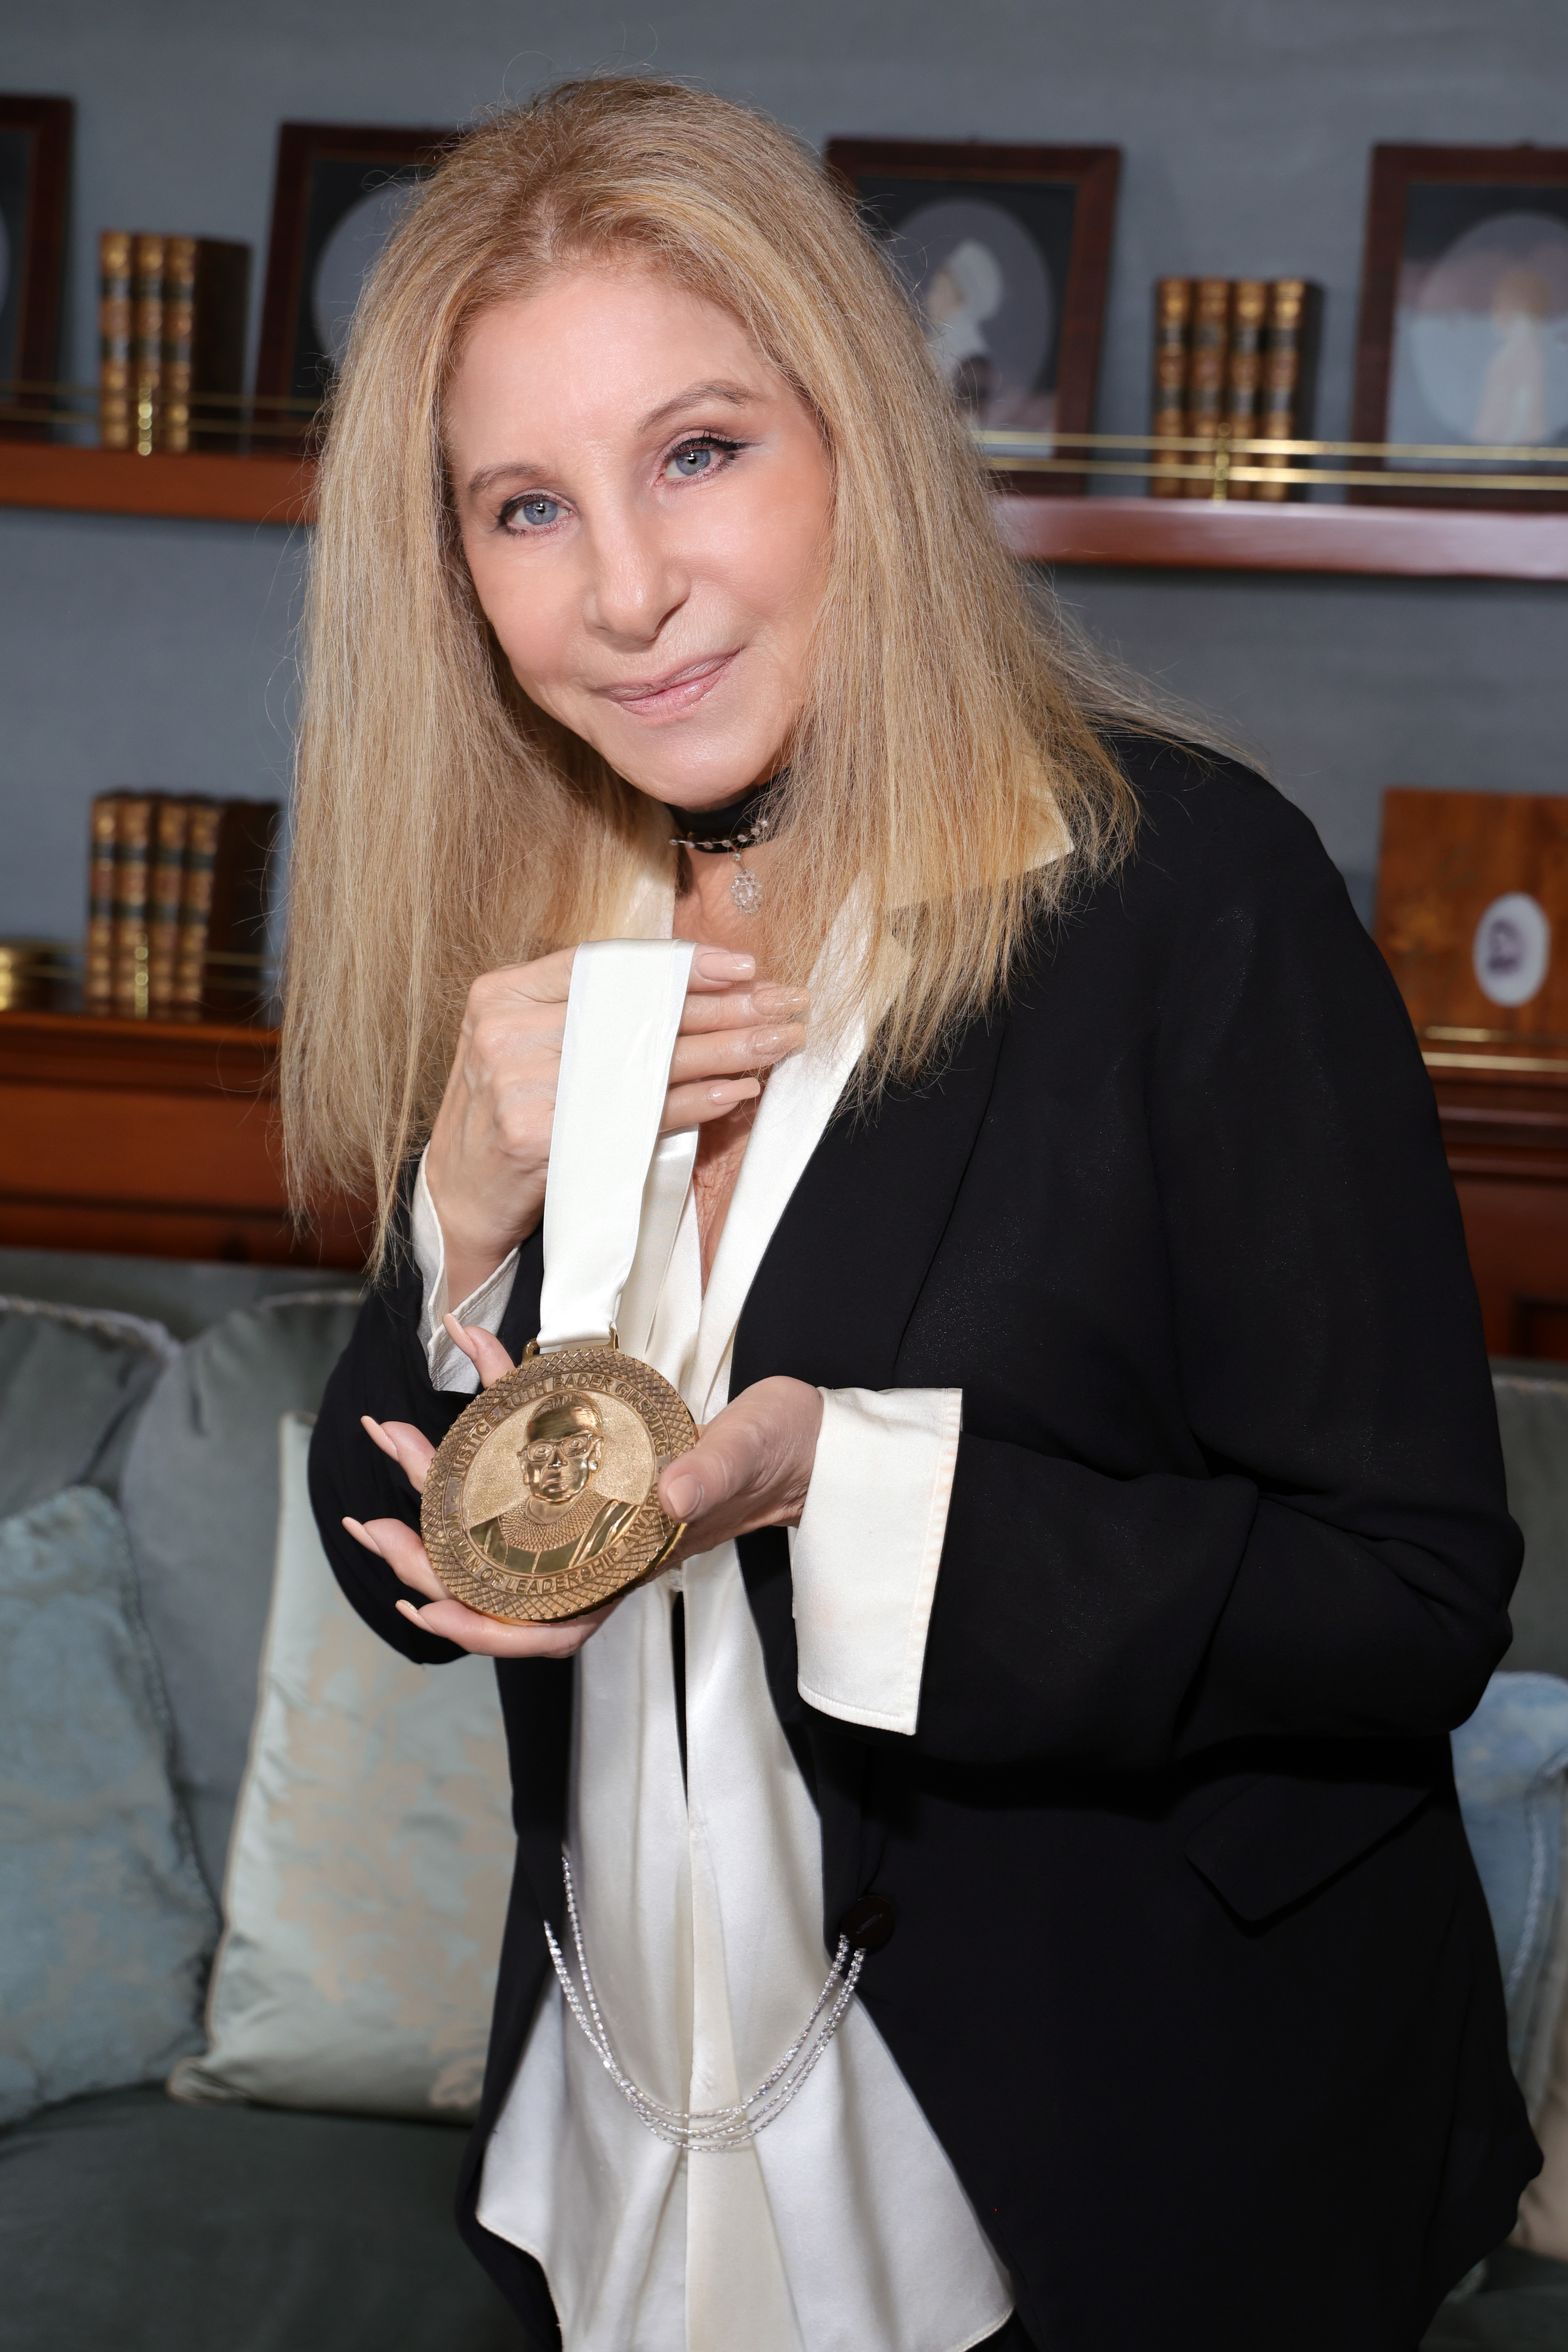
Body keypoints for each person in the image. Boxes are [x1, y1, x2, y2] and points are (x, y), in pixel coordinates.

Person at [289, 76, 1539, 2352]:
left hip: (1109, 2159)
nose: (629, 587)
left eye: (699, 452)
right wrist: (454, 1218)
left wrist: (835, 1487)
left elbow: (1411, 1597)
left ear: (855, 431)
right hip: (627, 2151)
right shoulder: (532, 925)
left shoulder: (1188, 895)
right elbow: (414, 1574)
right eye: (524, 505)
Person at [467, 1391, 643, 1578]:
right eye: (542, 1450)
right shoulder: (483, 1537)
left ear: (596, 1453)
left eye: (575, 1445)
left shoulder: (626, 1521)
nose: (557, 1462)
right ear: (524, 1464)